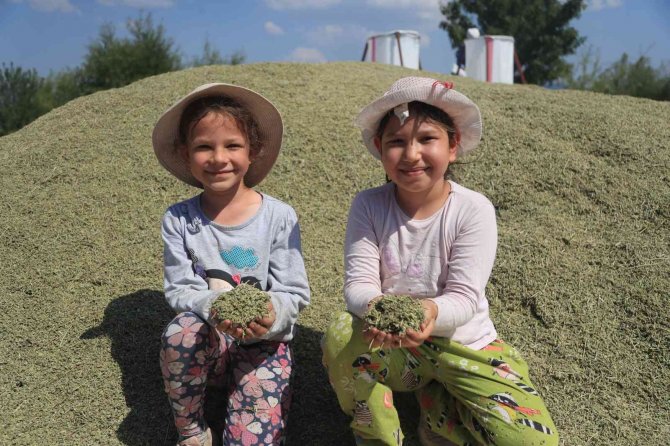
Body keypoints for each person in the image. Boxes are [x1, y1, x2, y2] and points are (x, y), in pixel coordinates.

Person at [321, 77, 558, 446]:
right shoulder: (368, 205)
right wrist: (377, 308)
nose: (411, 154)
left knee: (531, 440)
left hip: (464, 342)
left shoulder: (472, 209)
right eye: (397, 142)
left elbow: (464, 297)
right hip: (393, 344)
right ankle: (377, 436)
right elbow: (358, 283)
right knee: (339, 333)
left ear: (453, 146)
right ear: (380, 150)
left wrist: (429, 312)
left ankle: (439, 410)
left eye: (427, 139)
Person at [153, 83, 310, 446]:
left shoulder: (278, 216)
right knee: (181, 331)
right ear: (186, 153)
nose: (218, 158)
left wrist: (271, 314)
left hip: (264, 344)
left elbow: (294, 291)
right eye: (204, 146)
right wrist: (215, 308)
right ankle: (192, 429)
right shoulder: (179, 219)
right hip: (211, 340)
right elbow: (180, 288)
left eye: (232, 146)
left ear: (253, 151)